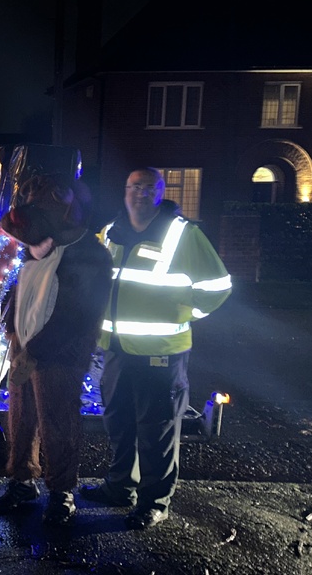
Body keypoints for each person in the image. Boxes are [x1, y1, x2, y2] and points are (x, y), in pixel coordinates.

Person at [81, 167, 232, 529]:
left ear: (161, 192)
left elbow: (218, 287)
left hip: (160, 352)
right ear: (125, 191)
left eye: (149, 187)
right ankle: (120, 487)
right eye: (134, 186)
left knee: (157, 431)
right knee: (119, 423)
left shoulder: (183, 234)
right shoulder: (111, 232)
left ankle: (154, 502)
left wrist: (185, 313)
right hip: (116, 348)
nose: (141, 193)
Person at [0, 174, 113, 526]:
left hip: (60, 354)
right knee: (21, 418)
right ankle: (22, 481)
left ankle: (61, 491)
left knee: (58, 421)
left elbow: (77, 316)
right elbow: (24, 291)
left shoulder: (90, 254)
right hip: (25, 345)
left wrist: (35, 351)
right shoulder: (38, 249)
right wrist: (12, 332)